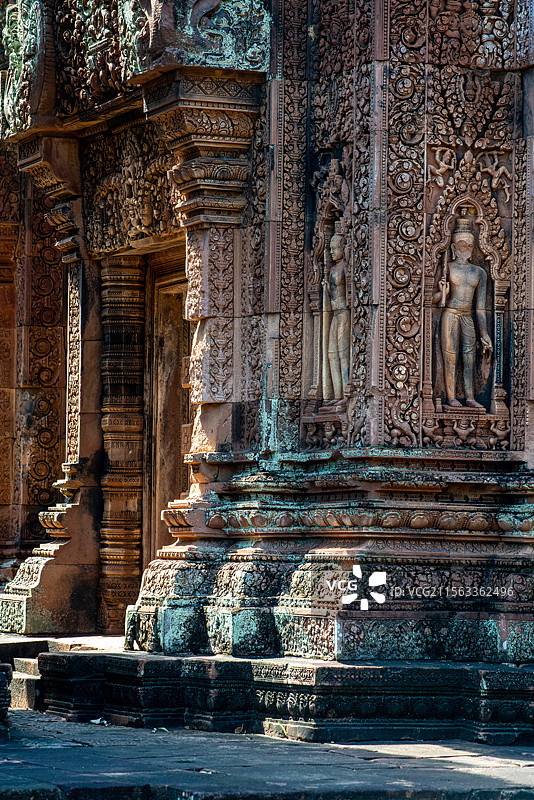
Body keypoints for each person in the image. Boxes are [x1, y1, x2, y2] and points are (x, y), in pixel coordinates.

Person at [434, 217, 493, 409]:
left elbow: (481, 309)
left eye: (469, 244)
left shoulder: (479, 273)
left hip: (468, 317)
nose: (465, 248)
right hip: (450, 314)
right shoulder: (448, 269)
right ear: (453, 247)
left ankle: (469, 397)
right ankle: (450, 397)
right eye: (461, 244)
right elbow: (433, 300)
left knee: (469, 358)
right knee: (450, 357)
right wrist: (443, 292)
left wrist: (484, 333)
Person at [322, 231, 350, 403]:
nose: (332, 252)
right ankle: (337, 394)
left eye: (335, 248)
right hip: (334, 313)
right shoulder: (332, 269)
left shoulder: (346, 267)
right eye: (330, 249)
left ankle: (346, 394)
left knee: (343, 354)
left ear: (342, 248)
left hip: (344, 313)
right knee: (331, 354)